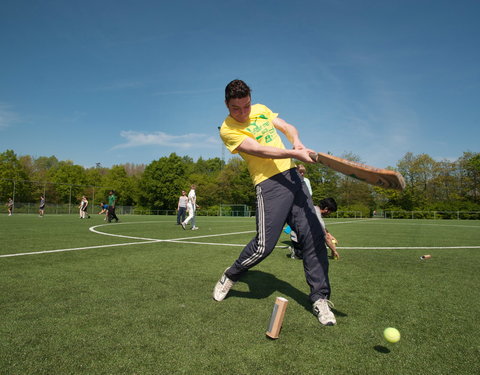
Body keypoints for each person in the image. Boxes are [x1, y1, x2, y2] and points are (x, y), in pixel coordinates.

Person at [213, 79, 336, 326]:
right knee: (263, 247)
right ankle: (231, 274)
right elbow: (259, 149)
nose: (243, 112)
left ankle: (320, 298)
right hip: (268, 185)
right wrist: (294, 153)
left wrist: (297, 142)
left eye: (246, 106)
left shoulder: (261, 110)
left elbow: (286, 126)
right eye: (236, 108)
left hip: (293, 178)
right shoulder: (227, 129)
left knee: (313, 236)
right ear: (227, 105)